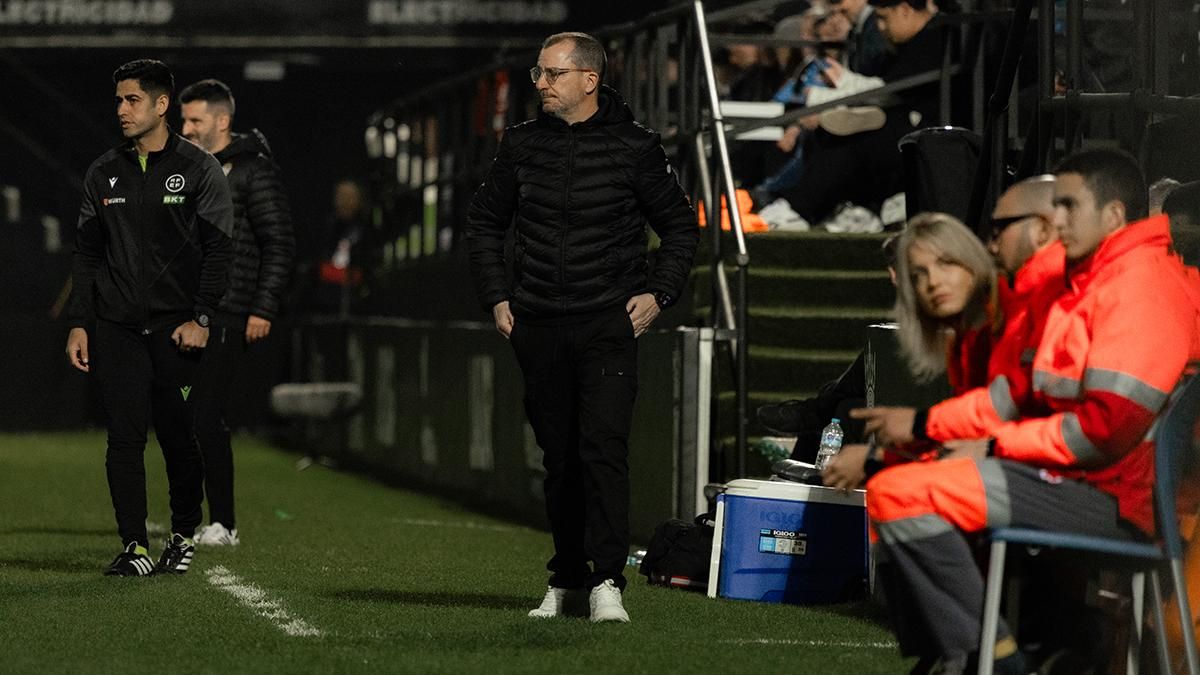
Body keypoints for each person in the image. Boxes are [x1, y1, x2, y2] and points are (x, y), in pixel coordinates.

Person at [834, 148, 1200, 673]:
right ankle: (974, 653)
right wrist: (924, 431)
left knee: (903, 491)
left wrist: (972, 444)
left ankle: (989, 657)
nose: (1059, 220)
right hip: (1089, 482)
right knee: (901, 486)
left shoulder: (1121, 287)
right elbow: (1024, 402)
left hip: (1110, 495)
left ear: (1113, 216)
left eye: (1068, 206)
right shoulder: (1090, 285)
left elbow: (1103, 430)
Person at [466, 31, 698, 623]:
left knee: (602, 450)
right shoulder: (520, 145)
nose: (539, 83)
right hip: (537, 323)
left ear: (588, 80)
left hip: (606, 322)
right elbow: (485, 224)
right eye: (538, 73)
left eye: (551, 73)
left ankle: (606, 582)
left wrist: (659, 292)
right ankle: (567, 580)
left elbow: (680, 226)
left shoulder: (635, 146)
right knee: (561, 459)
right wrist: (497, 297)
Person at [64, 59, 233, 576]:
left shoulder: (200, 169)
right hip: (117, 328)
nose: (121, 109)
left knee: (179, 436)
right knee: (124, 437)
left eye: (132, 99)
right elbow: (88, 255)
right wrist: (79, 322)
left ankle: (182, 533)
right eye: (118, 99)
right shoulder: (102, 171)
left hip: (176, 329)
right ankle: (134, 544)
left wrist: (201, 319)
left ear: (162, 105)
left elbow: (220, 251)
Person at [179, 78, 296, 547]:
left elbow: (280, 241)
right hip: (188, 312)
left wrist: (262, 306)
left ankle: (224, 522)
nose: (184, 128)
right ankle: (193, 516)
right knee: (185, 415)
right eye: (183, 120)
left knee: (205, 414)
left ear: (222, 121)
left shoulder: (253, 172)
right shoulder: (186, 170)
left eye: (194, 120)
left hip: (228, 311)